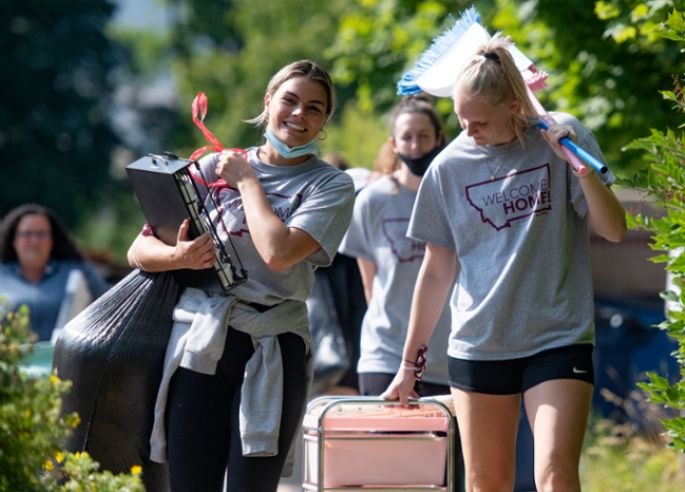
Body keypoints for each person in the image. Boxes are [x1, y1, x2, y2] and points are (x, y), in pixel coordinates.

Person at [383, 35, 627, 492]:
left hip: (558, 336)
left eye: (478, 122)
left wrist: (579, 169)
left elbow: (615, 229)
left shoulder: (563, 135)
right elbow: (436, 272)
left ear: (516, 105)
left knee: (554, 473)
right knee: (485, 482)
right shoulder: (448, 167)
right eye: (460, 119)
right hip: (480, 343)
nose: (467, 133)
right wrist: (409, 365)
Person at [127, 59, 355, 492]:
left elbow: (279, 252)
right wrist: (180, 256)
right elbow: (138, 250)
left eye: (313, 108)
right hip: (201, 342)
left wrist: (249, 182)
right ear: (268, 103)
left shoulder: (331, 186)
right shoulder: (212, 169)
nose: (298, 115)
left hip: (274, 346)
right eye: (289, 100)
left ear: (325, 121)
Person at [340, 96, 451, 397]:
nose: (415, 145)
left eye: (424, 136)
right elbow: (370, 286)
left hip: (447, 355)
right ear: (394, 143)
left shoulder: (454, 197)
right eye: (407, 137)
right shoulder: (372, 200)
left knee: (446, 445)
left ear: (439, 138)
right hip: (385, 353)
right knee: (388, 444)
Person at [0, 203, 109, 341]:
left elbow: (111, 304)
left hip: (66, 360)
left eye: (41, 234)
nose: (35, 241)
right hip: (10, 360)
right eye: (27, 234)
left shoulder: (75, 269)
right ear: (14, 240)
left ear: (52, 240)